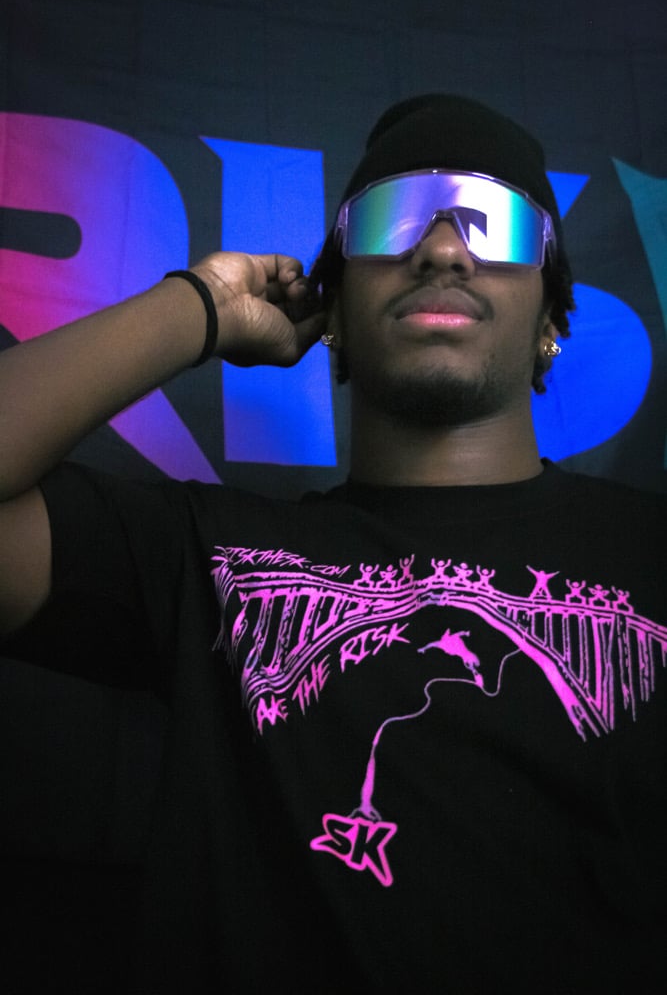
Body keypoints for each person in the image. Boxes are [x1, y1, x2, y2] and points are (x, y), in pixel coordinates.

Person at [0, 94, 665, 993]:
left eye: (495, 220)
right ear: (335, 313)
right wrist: (198, 307)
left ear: (550, 317)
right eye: (393, 218)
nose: (442, 249)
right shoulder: (215, 558)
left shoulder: (651, 557)